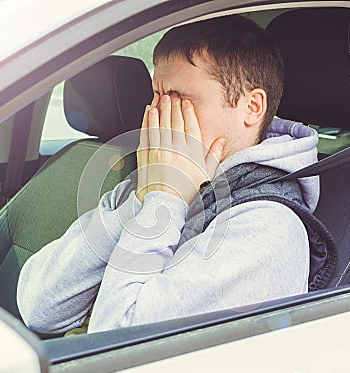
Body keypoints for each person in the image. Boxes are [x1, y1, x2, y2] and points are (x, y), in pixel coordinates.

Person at [17, 15, 333, 335]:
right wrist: (145, 200)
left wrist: (165, 201)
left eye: (178, 99)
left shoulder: (267, 226)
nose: (157, 114)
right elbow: (40, 309)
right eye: (156, 95)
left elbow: (115, 344)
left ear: (251, 107)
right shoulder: (150, 181)